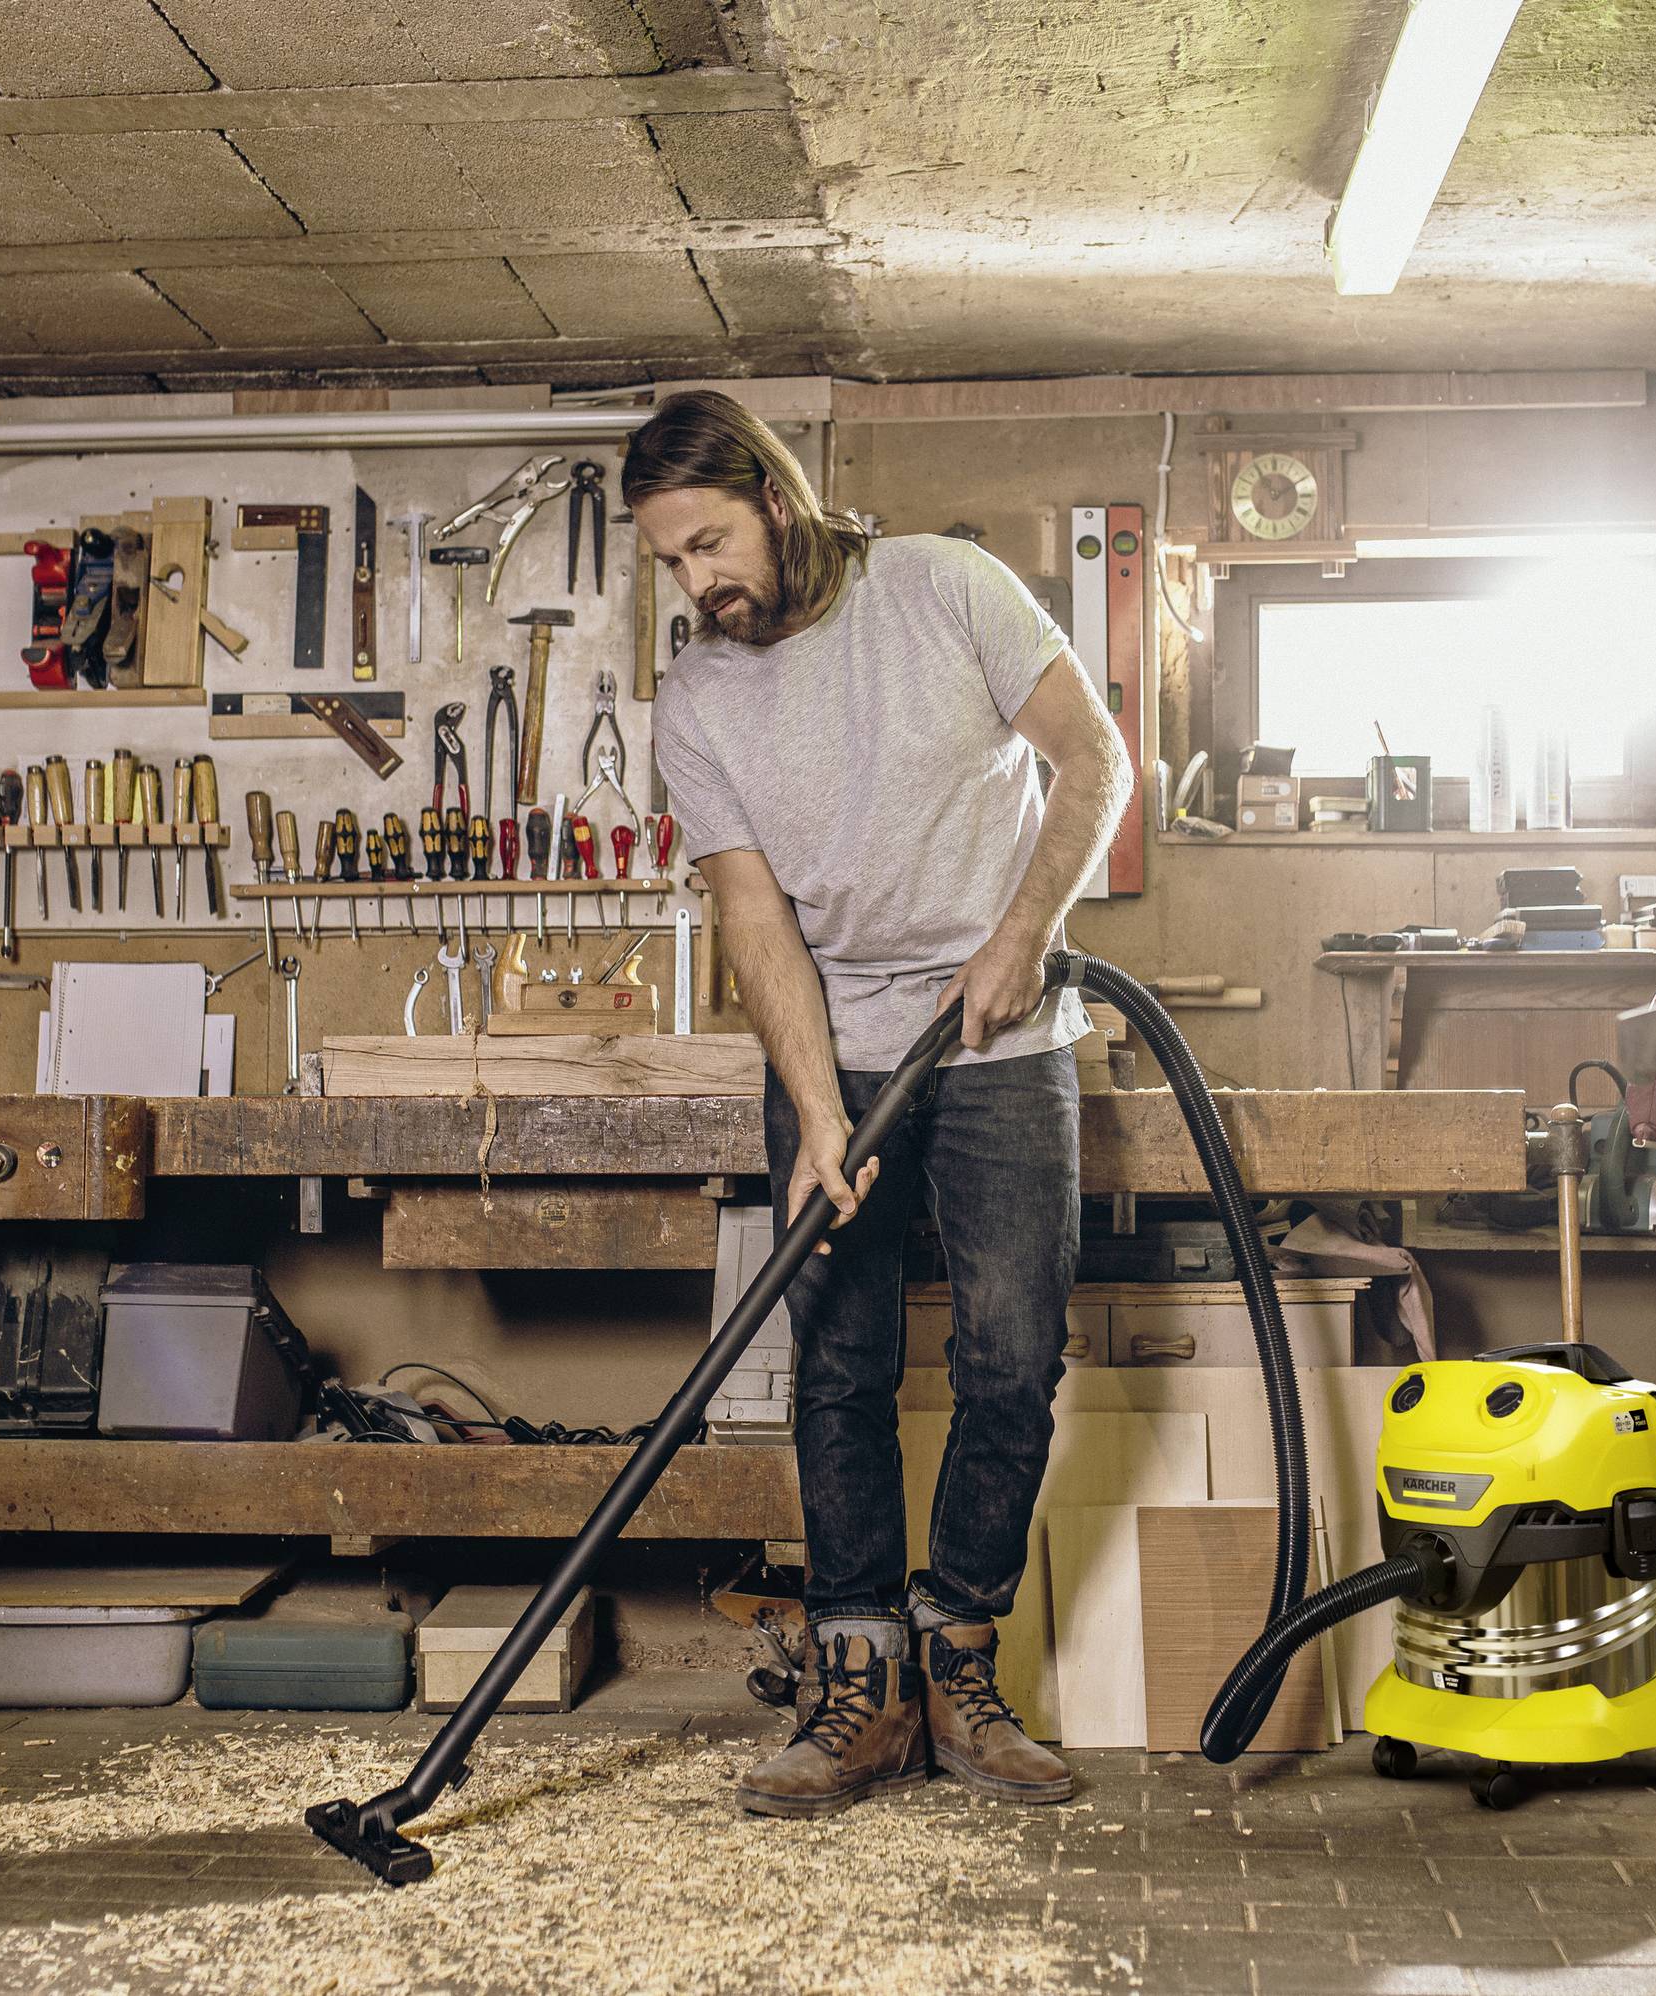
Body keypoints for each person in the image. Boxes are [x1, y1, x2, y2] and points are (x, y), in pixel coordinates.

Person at [630, 390, 1132, 1818]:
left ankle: (959, 1658)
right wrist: (814, 1108)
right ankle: (860, 1682)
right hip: (836, 1051)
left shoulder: (943, 590)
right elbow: (754, 916)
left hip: (1000, 1036)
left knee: (1011, 1356)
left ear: (775, 501)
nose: (697, 584)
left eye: (710, 544)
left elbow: (1097, 759)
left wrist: (1023, 937)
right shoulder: (698, 698)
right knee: (840, 1364)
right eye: (670, 562)